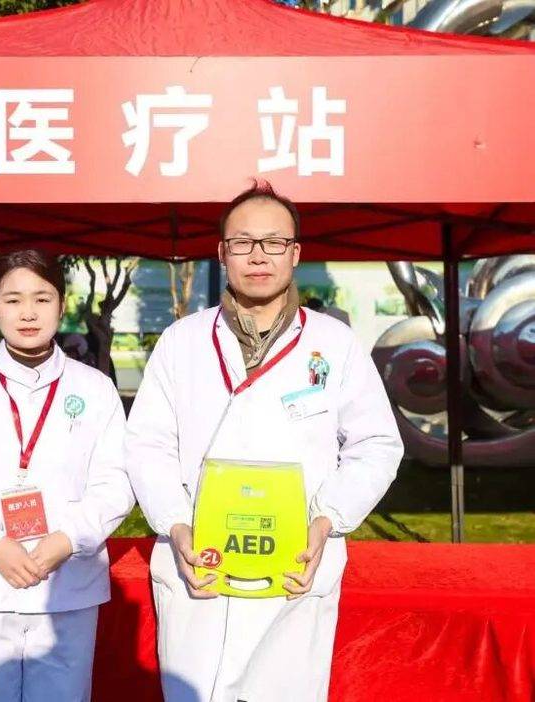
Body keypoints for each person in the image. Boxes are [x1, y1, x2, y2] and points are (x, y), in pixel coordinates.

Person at [125, 181, 403, 702]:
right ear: (221, 252)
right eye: (243, 242)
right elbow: (147, 444)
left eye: (274, 242)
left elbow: (377, 444)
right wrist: (176, 523)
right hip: (202, 566)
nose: (258, 256)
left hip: (294, 568)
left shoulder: (334, 344)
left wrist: (327, 518)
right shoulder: (182, 341)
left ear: (295, 253)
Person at [0, 249, 134, 702]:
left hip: (67, 587)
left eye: (42, 298)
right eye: (13, 300)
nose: (28, 313)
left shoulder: (95, 389)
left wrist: (68, 538)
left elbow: (117, 481)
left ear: (62, 304)